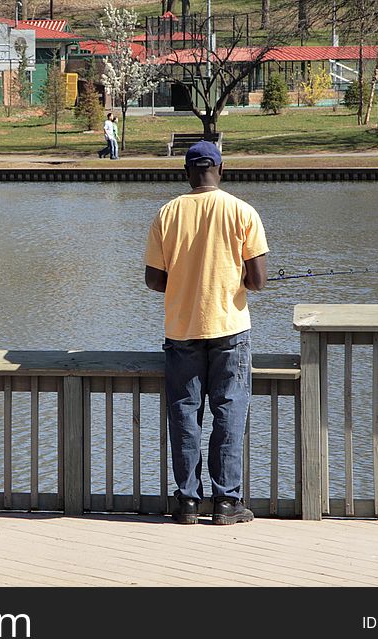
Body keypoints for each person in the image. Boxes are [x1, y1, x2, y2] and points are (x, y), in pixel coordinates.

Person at [143, 140, 268, 526]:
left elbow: (153, 279)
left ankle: (187, 503)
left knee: (184, 413)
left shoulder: (167, 214)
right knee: (229, 411)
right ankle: (228, 502)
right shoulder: (242, 212)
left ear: (186, 172)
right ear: (221, 169)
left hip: (181, 328)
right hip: (230, 328)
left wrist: (185, 282)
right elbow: (259, 281)